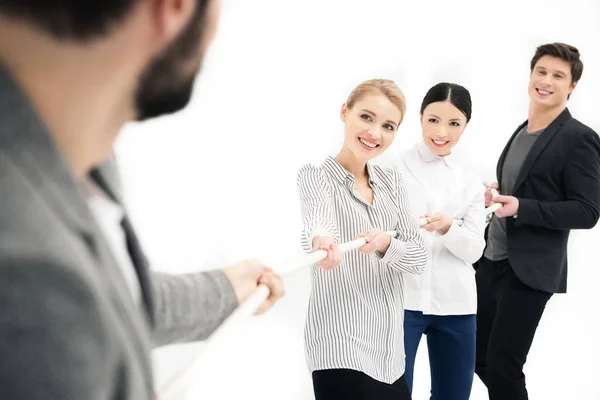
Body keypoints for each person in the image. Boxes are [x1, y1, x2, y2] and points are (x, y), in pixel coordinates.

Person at [0, 0, 284, 398]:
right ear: (174, 7)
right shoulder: (32, 284)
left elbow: (100, 303)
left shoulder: (70, 140)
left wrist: (221, 293)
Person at [475, 42, 600, 400]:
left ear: (572, 86)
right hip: (491, 260)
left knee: (503, 362)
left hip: (530, 270)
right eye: (541, 72)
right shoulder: (521, 131)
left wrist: (521, 208)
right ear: (530, 76)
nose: (546, 81)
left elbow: (587, 211)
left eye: (558, 76)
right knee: (478, 356)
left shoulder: (579, 138)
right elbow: (521, 189)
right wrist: (497, 195)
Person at [296, 79, 428, 400]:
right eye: (366, 118)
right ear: (345, 112)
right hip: (339, 345)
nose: (375, 133)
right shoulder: (316, 177)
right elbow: (318, 221)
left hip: (389, 353)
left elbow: (419, 256)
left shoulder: (392, 182)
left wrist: (386, 244)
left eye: (388, 126)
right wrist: (321, 241)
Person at [391, 82, 486, 400]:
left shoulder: (470, 181)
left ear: (466, 126)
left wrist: (449, 229)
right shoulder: (392, 167)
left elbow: (474, 250)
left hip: (456, 304)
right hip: (401, 300)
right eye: (433, 120)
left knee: (454, 395)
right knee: (394, 393)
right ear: (420, 117)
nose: (441, 131)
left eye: (454, 123)